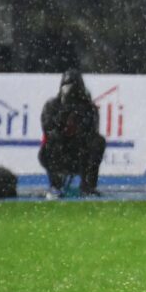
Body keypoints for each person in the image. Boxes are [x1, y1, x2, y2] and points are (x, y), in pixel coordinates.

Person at [38, 69, 106, 197]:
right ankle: (55, 185)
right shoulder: (52, 106)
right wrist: (62, 119)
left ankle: (88, 185)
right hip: (58, 152)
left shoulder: (89, 108)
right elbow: (48, 129)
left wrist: (78, 119)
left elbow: (91, 132)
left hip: (80, 154)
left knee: (98, 142)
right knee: (51, 143)